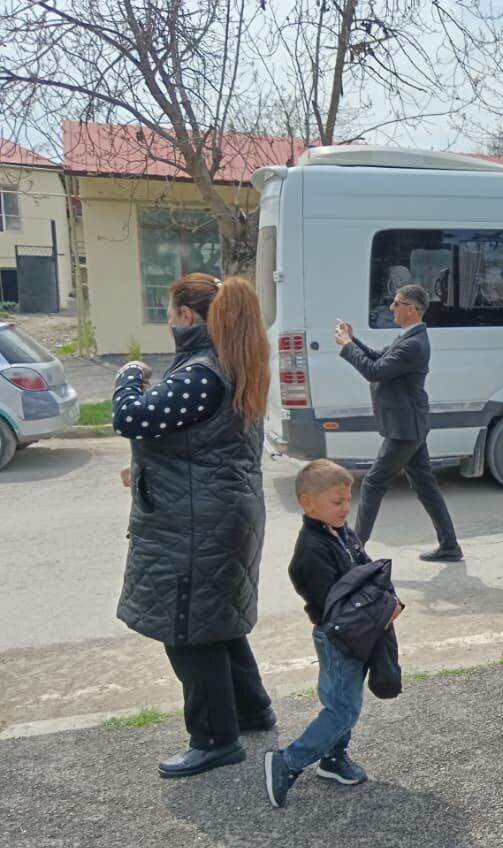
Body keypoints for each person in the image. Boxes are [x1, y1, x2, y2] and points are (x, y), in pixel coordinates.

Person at [114, 273, 273, 778]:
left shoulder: (202, 371)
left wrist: (129, 374)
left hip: (195, 521)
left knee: (188, 630)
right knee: (214, 618)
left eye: (169, 312)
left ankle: (213, 740)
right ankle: (250, 710)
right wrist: (148, 468)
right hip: (217, 511)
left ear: (186, 315)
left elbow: (131, 418)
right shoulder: (229, 361)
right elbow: (200, 442)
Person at [264, 459, 402, 808]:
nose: (345, 508)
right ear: (308, 503)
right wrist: (382, 610)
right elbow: (338, 608)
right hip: (338, 639)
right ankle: (288, 762)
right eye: (337, 502)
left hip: (361, 633)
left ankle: (333, 758)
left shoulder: (341, 533)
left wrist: (386, 603)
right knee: (342, 709)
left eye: (347, 500)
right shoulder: (309, 554)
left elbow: (369, 573)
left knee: (347, 700)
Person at [335, 283, 461, 562]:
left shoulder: (415, 344)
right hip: (407, 424)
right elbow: (380, 358)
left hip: (405, 428)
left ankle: (355, 551)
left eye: (397, 303)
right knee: (425, 485)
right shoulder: (408, 337)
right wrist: (353, 342)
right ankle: (450, 545)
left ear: (413, 309)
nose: (391, 307)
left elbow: (374, 371)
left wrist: (346, 347)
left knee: (372, 483)